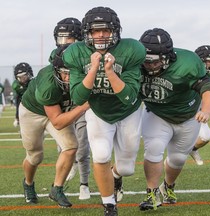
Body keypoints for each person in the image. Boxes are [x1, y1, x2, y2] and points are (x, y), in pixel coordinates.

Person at [62, 6, 146, 216]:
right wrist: (92, 70)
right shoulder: (76, 52)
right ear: (87, 33)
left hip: (128, 112)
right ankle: (109, 204)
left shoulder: (131, 50)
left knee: (127, 168)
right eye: (95, 31)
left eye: (106, 30)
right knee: (100, 155)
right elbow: (79, 98)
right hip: (98, 110)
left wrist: (109, 71)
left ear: (115, 31)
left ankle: (116, 176)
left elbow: (128, 98)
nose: (100, 35)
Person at [138, 28, 210, 211]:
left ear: (167, 57)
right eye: (146, 61)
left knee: (177, 160)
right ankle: (151, 193)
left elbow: (209, 87)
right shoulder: (135, 62)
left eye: (155, 61)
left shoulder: (188, 62)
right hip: (157, 113)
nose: (150, 66)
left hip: (188, 116)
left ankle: (168, 186)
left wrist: (206, 110)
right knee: (154, 150)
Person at [19, 45, 89, 207]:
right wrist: (84, 106)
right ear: (57, 70)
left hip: (60, 111)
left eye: (74, 73)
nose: (70, 79)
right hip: (33, 112)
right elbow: (57, 121)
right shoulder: (48, 84)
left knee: (71, 146)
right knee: (35, 156)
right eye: (66, 73)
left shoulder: (88, 73)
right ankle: (28, 183)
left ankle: (56, 189)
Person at [52, 17, 91, 200]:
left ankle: (84, 184)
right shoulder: (54, 55)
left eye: (68, 39)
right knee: (64, 146)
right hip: (65, 104)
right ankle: (68, 171)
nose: (63, 44)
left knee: (82, 146)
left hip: (82, 102)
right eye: (60, 39)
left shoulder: (86, 53)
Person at [189, 45, 210, 165]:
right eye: (209, 61)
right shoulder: (189, 71)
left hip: (197, 110)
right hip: (182, 109)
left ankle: (192, 149)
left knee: (205, 137)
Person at [12, 62, 34, 127]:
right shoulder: (16, 85)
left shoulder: (34, 83)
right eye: (19, 77)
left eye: (24, 76)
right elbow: (18, 100)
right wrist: (17, 116)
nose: (22, 79)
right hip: (24, 104)